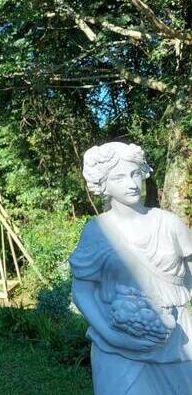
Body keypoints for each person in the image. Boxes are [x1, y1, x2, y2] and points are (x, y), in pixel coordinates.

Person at [70, 142, 191, 394]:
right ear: (104, 184)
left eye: (135, 173)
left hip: (178, 341)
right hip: (118, 344)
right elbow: (81, 291)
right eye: (119, 177)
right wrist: (112, 336)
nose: (132, 183)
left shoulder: (170, 224)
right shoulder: (97, 231)